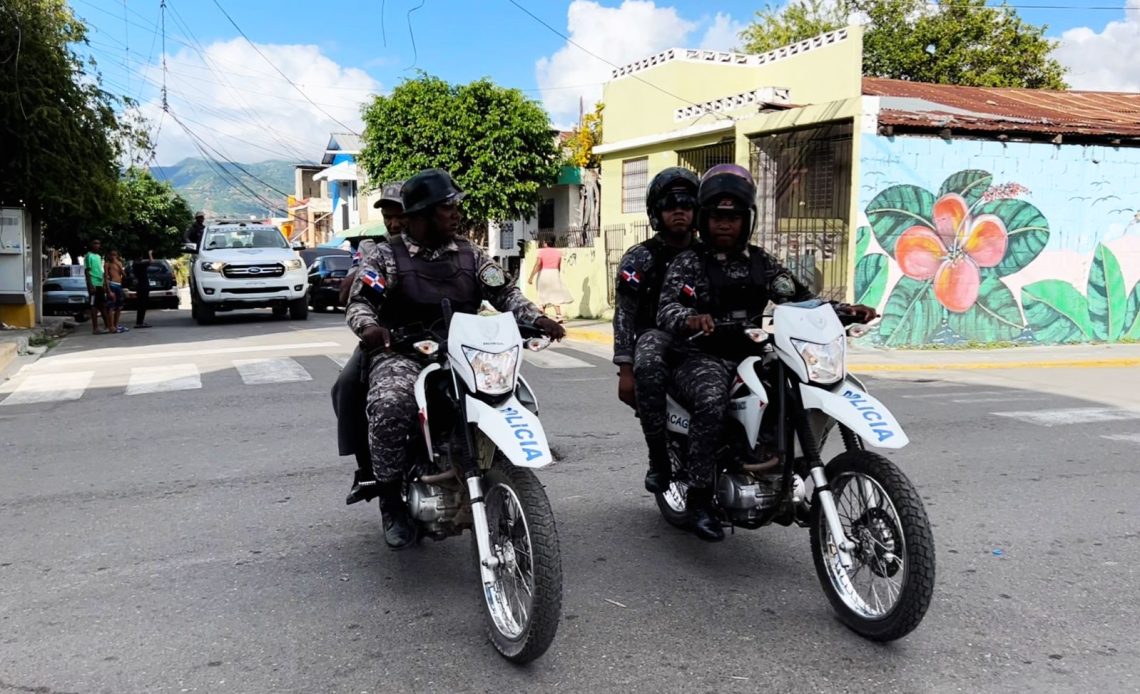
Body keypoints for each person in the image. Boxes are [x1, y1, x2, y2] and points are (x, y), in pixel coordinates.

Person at [345, 168, 566, 549]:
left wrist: (537, 318)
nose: (456, 213)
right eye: (447, 206)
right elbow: (361, 303)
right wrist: (370, 329)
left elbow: (505, 294)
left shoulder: (469, 253)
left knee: (510, 395)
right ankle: (389, 498)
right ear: (421, 215)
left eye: (454, 205)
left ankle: (500, 474)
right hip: (405, 351)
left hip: (465, 349)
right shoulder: (386, 256)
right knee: (390, 403)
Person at [657, 164, 876, 542]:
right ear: (704, 220)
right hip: (703, 355)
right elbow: (667, 308)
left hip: (755, 349)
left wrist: (841, 310)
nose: (725, 225)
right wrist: (691, 319)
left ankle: (794, 471)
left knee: (796, 388)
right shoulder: (688, 262)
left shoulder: (762, 263)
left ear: (747, 221)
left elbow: (802, 297)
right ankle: (698, 498)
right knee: (711, 401)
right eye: (716, 217)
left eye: (734, 217)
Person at [611, 166, 700, 494]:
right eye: (670, 204)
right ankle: (659, 458)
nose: (679, 210)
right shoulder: (640, 258)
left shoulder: (710, 254)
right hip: (657, 346)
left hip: (706, 344)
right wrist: (625, 369)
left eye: (687, 204)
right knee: (648, 361)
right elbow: (625, 314)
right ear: (656, 212)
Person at [336, 181, 405, 506]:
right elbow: (354, 299)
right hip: (389, 341)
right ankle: (368, 470)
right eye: (389, 217)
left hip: (446, 341)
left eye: (400, 215)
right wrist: (354, 281)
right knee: (348, 385)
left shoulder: (455, 251)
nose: (394, 223)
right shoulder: (375, 253)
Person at [527, 238, 573, 322]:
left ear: (545, 243)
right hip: (555, 273)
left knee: (543, 293)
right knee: (555, 294)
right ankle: (558, 315)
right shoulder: (558, 252)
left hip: (544, 273)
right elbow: (559, 266)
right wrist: (557, 274)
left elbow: (538, 264)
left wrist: (531, 277)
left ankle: (543, 314)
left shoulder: (542, 252)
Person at [84, 239, 111, 335]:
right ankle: (95, 328)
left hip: (100, 284)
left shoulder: (99, 257)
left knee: (103, 305)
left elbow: (101, 271)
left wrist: (104, 283)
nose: (97, 245)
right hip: (93, 284)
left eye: (98, 243)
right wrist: (90, 285)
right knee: (93, 306)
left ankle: (108, 326)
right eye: (95, 243)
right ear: (91, 245)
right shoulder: (88, 256)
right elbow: (87, 271)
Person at [105, 250, 127, 333]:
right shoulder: (107, 264)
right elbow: (106, 278)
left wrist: (118, 264)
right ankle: (111, 326)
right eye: (111, 255)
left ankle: (116, 325)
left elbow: (124, 275)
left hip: (119, 286)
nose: (113, 256)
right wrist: (109, 290)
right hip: (112, 285)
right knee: (111, 306)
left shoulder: (119, 263)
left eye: (115, 255)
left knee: (119, 306)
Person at [132, 250, 155, 328]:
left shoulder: (134, 264)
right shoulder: (140, 264)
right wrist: (150, 254)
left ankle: (140, 321)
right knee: (143, 305)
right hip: (143, 286)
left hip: (139, 286)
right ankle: (140, 322)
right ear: (140, 257)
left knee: (141, 305)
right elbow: (151, 261)